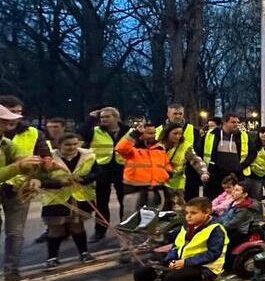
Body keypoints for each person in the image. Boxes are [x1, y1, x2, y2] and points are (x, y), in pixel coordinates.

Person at [133, 197, 228, 281]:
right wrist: (170, 260)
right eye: (187, 213)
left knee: (172, 278)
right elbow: (176, 247)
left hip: (205, 268)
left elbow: (213, 254)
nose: (188, 216)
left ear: (206, 212)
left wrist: (185, 262)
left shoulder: (216, 230)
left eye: (193, 213)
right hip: (184, 262)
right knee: (143, 271)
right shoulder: (186, 227)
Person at [0, 96, 51, 281]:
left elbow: (35, 158)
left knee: (15, 233)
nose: (11, 121)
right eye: (5, 119)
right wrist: (19, 166)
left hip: (19, 189)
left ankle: (12, 273)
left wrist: (38, 172)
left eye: (16, 114)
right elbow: (19, 163)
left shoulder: (9, 142)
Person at [38, 133, 98, 268]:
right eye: (67, 145)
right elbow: (39, 179)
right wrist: (58, 183)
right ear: (59, 145)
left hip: (80, 197)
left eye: (75, 144)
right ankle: (52, 257)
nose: (72, 147)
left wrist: (84, 180)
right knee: (55, 229)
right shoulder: (48, 159)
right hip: (56, 199)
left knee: (77, 226)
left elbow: (97, 172)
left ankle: (84, 253)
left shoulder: (88, 156)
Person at [82, 106, 127, 243]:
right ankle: (100, 231)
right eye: (101, 117)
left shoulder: (127, 131)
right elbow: (81, 134)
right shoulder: (96, 131)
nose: (103, 120)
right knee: (102, 203)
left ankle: (125, 229)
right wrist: (91, 118)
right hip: (101, 170)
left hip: (122, 169)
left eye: (107, 117)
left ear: (116, 117)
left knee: (124, 202)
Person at [114, 122, 173, 221]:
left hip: (156, 190)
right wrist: (135, 133)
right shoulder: (133, 147)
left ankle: (151, 236)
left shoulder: (159, 148)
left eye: (154, 133)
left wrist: (168, 174)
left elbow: (165, 164)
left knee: (152, 222)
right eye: (150, 133)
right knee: (131, 221)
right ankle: (129, 237)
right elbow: (120, 149)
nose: (153, 136)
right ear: (142, 133)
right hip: (134, 191)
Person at [161, 121, 209, 209]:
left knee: (179, 211)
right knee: (159, 209)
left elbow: (196, 160)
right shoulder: (159, 145)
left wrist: (203, 172)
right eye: (175, 133)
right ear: (167, 133)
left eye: (180, 133)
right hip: (160, 183)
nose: (178, 136)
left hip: (176, 185)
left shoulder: (185, 146)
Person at [203, 114, 251, 199]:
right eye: (233, 122)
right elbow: (200, 151)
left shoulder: (242, 135)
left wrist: (241, 166)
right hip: (215, 174)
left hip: (235, 174)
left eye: (237, 122)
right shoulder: (211, 134)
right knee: (213, 199)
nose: (236, 124)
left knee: (234, 200)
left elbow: (252, 153)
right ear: (224, 122)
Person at [217, 182, 260, 249]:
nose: (233, 192)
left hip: (238, 232)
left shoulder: (244, 209)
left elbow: (233, 224)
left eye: (237, 190)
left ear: (244, 194)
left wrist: (218, 227)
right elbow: (224, 216)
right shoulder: (233, 202)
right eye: (234, 189)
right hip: (227, 228)